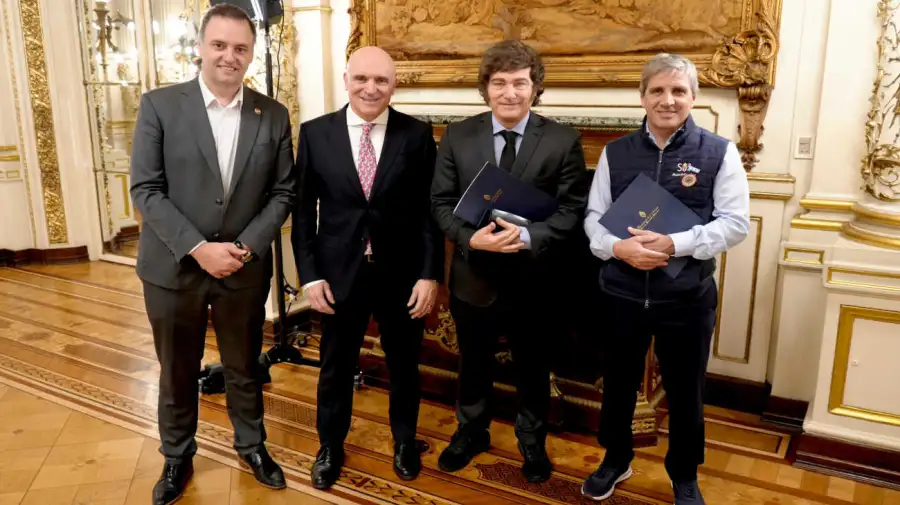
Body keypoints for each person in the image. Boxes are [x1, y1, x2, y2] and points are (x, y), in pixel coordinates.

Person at [130, 4, 293, 504]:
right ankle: (176, 455)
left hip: (242, 269)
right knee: (178, 368)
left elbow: (283, 192)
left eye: (240, 48)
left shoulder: (273, 114)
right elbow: (146, 189)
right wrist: (199, 249)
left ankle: (253, 446)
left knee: (244, 366)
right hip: (173, 268)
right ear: (200, 47)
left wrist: (243, 249)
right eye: (219, 45)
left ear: (252, 53)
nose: (229, 56)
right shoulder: (159, 105)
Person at [582, 53, 750, 504]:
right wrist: (617, 248)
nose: (667, 100)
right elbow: (594, 217)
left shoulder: (719, 152)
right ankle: (616, 459)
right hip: (621, 293)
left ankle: (684, 474)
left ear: (693, 97)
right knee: (617, 384)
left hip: (686, 298)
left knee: (686, 390)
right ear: (642, 97)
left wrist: (675, 244)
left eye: (678, 90)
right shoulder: (616, 152)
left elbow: (735, 223)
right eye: (657, 90)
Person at [431, 40, 591, 483]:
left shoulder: (562, 140)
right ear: (485, 88)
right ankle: (471, 431)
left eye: (520, 83)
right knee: (473, 363)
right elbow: (440, 203)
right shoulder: (457, 136)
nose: (509, 93)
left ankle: (532, 439)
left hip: (534, 281)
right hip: (473, 276)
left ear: (535, 87)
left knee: (533, 366)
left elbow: (571, 210)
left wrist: (528, 236)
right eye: (499, 83)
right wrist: (471, 239)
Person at [291, 45, 444, 490]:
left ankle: (404, 441)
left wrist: (429, 274)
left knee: (405, 363)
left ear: (394, 86)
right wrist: (310, 275)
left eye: (381, 80)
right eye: (361, 78)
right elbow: (302, 213)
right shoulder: (315, 133)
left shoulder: (416, 135)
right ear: (346, 81)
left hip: (402, 274)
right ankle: (330, 446)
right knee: (335, 365)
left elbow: (429, 213)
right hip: (338, 275)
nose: (371, 88)